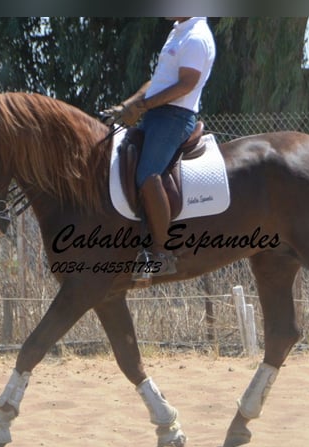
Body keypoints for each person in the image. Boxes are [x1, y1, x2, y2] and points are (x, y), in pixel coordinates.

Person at [103, 17, 216, 281]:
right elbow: (158, 82)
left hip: (175, 118)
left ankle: (162, 254)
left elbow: (186, 84)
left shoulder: (197, 36)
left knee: (147, 174)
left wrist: (141, 107)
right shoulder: (178, 32)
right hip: (157, 114)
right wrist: (127, 105)